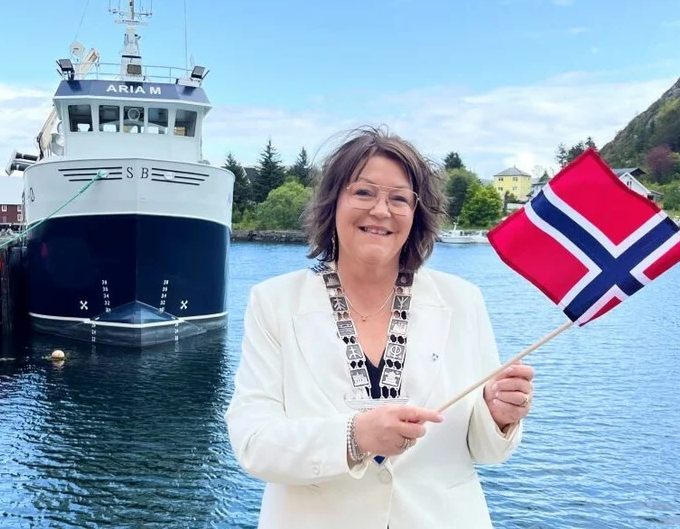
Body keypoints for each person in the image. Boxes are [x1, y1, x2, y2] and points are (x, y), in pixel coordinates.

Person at [224, 126, 534, 528]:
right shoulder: (274, 303)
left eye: (399, 198)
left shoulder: (463, 301)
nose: (381, 211)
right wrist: (355, 437)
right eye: (364, 192)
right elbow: (254, 443)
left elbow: (487, 450)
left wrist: (498, 416)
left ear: (417, 215)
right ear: (333, 202)